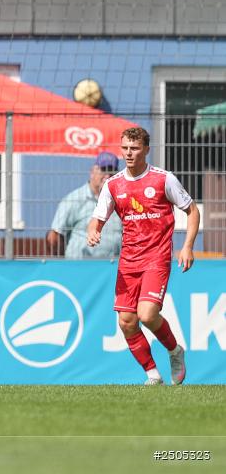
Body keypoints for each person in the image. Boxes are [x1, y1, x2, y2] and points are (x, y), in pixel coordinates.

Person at [87, 127, 199, 386]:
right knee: (127, 322)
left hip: (156, 258)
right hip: (128, 261)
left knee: (147, 315)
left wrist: (188, 245)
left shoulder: (163, 179)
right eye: (125, 148)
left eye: (134, 148)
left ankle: (174, 351)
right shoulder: (113, 185)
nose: (129, 153)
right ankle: (152, 374)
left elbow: (192, 211)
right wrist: (93, 231)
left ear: (146, 150)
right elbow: (97, 220)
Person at [47, 152, 123, 259]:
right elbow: (54, 235)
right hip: (80, 267)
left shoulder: (120, 200)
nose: (108, 175)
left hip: (112, 266)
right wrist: (62, 263)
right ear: (92, 172)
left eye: (112, 171)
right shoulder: (73, 199)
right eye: (104, 170)